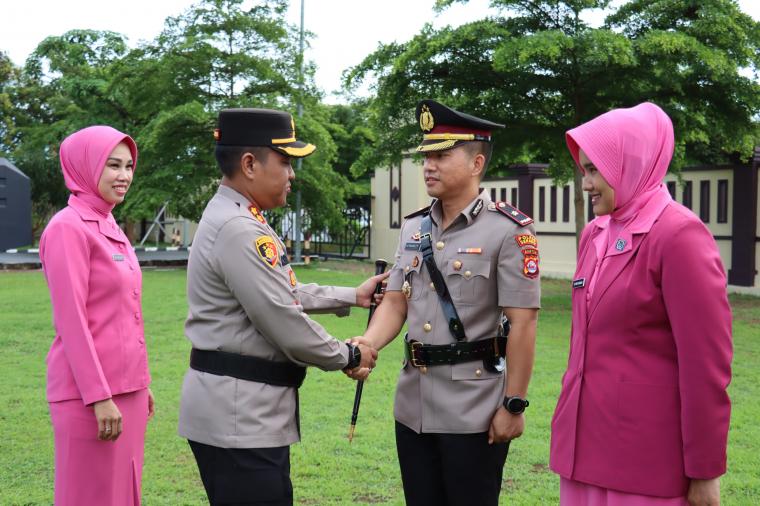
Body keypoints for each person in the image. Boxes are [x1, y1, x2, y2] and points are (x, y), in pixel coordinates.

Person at [178, 108, 383, 506]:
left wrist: (351, 296)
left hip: (243, 412)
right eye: (286, 161)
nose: (292, 174)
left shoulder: (240, 217)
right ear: (250, 164)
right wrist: (348, 355)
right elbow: (282, 319)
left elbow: (279, 292)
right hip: (240, 418)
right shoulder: (239, 228)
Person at [350, 100, 541, 506]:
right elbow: (397, 302)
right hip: (413, 405)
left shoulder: (508, 231)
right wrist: (369, 342)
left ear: (475, 163)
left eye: (441, 155)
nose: (429, 166)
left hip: (474, 409)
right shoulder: (413, 227)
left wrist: (514, 404)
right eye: (426, 157)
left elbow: (523, 324)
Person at [549, 102, 733, 505]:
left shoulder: (678, 234)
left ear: (630, 165)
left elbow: (706, 366)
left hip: (645, 464)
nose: (585, 183)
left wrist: (705, 471)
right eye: (584, 170)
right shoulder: (594, 233)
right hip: (582, 452)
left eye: (596, 170)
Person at [39, 126, 155, 505]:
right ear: (85, 167)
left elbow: (124, 314)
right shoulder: (67, 229)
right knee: (90, 495)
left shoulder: (109, 224)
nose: (124, 176)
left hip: (128, 391)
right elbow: (71, 322)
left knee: (123, 493)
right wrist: (99, 397)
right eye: (112, 165)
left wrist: (141, 383)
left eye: (129, 166)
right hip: (89, 397)